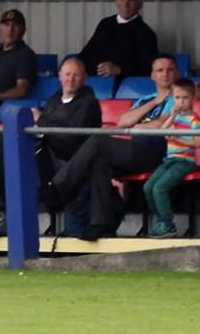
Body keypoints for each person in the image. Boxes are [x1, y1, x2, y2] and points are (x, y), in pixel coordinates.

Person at [47, 53, 181, 241]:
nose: (165, 74)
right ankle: (101, 224)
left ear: (178, 73)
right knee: (97, 162)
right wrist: (155, 102)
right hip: (134, 150)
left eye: (170, 70)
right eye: (160, 70)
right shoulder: (146, 99)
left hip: (158, 153)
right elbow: (122, 121)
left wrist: (134, 126)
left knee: (98, 140)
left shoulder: (179, 98)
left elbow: (159, 125)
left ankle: (59, 186)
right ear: (152, 75)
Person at [0, 56, 101, 236]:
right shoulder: (55, 99)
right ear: (59, 76)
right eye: (67, 74)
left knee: (28, 155)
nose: (71, 79)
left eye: (76, 75)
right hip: (47, 153)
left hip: (70, 159)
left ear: (84, 78)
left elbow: (71, 135)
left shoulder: (88, 103)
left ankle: (9, 208)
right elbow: (50, 128)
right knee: (10, 138)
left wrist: (41, 120)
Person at [143, 78, 200, 239]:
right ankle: (160, 219)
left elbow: (198, 143)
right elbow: (163, 131)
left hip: (184, 161)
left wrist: (177, 138)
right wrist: (171, 117)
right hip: (169, 160)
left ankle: (168, 224)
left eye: (185, 98)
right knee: (148, 187)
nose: (181, 102)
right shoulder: (174, 117)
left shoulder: (195, 120)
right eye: (177, 98)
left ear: (192, 98)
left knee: (160, 188)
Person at [78, 0, 158, 81]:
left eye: (131, 0)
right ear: (117, 2)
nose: (126, 5)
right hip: (95, 80)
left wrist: (120, 70)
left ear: (140, 4)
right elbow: (87, 53)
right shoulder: (105, 24)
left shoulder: (146, 34)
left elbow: (148, 67)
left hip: (125, 85)